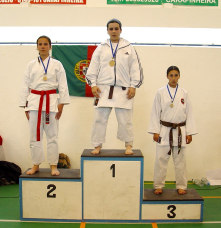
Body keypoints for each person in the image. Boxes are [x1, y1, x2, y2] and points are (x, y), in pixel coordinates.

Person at [86, 18, 143, 155]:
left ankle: (128, 145)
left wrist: (133, 86)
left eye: (116, 28)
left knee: (125, 120)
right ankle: (97, 145)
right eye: (111, 29)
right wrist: (93, 85)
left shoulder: (128, 47)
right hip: (103, 88)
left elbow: (135, 68)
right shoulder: (101, 48)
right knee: (99, 119)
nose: (113, 31)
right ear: (107, 31)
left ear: (121, 30)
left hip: (123, 89)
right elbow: (92, 67)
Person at [19, 35, 70, 176]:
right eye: (40, 44)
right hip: (35, 102)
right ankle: (36, 164)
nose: (42, 46)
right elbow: (25, 85)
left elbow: (63, 85)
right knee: (34, 136)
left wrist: (62, 104)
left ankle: (54, 165)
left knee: (52, 135)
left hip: (51, 102)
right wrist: (25, 105)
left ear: (50, 46)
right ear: (37, 47)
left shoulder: (57, 64)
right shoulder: (30, 65)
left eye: (45, 44)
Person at [148, 66, 197, 195]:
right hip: (164, 130)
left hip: (180, 130)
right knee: (160, 160)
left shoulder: (184, 93)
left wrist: (189, 132)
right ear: (167, 76)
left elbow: (189, 113)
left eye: (176, 75)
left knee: (180, 161)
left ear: (179, 76)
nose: (173, 78)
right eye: (171, 75)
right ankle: (158, 185)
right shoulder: (160, 92)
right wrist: (155, 131)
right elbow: (155, 112)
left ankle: (181, 185)